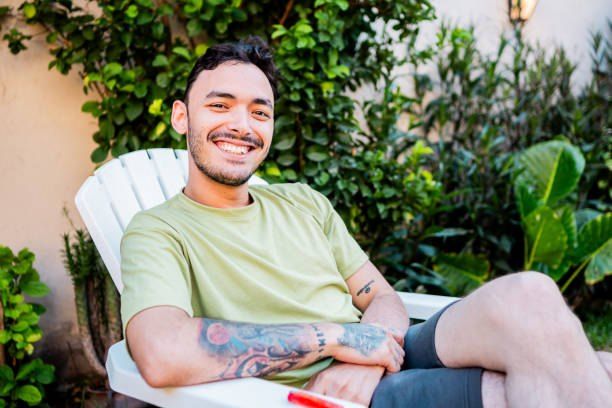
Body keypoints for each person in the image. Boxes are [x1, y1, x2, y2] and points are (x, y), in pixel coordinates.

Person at [120, 36, 612, 407]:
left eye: (260, 112)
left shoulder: (303, 202)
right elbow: (162, 353)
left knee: (531, 293)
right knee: (571, 376)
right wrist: (339, 342)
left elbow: (381, 298)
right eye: (219, 105)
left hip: (379, 355)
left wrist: (368, 356)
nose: (242, 126)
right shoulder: (158, 231)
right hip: (320, 392)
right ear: (182, 117)